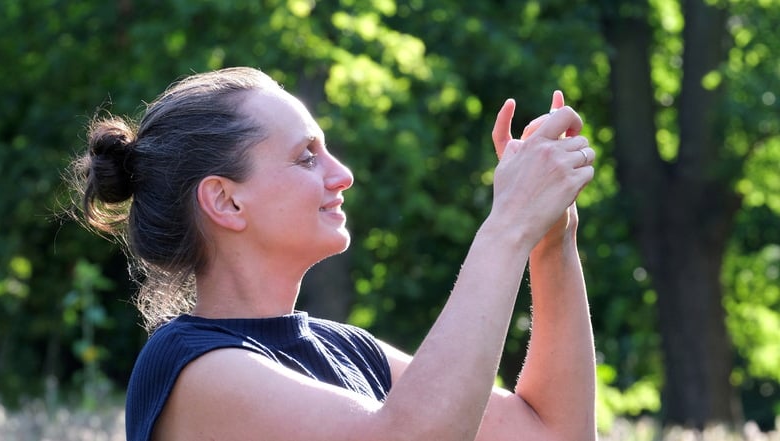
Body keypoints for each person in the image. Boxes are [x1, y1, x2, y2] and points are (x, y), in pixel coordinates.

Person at [69, 66, 596, 441]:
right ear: (226, 200)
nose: (342, 175)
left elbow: (556, 433)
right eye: (306, 158)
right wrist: (506, 226)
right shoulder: (189, 368)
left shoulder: (349, 350)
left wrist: (550, 236)